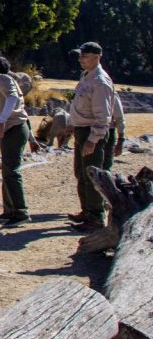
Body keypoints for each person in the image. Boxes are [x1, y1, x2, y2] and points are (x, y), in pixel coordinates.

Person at [65, 42, 115, 232]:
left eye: (84, 56)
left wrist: (93, 139)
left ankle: (95, 216)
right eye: (80, 56)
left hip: (91, 131)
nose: (80, 59)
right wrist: (71, 123)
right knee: (81, 172)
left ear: (96, 57)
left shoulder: (100, 81)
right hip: (81, 129)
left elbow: (103, 115)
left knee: (92, 175)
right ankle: (87, 211)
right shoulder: (87, 77)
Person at [0, 57, 30, 225]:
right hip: (15, 128)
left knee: (12, 170)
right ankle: (9, 209)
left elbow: (12, 98)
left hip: (13, 128)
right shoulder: (7, 79)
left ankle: (20, 212)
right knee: (7, 170)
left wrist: (2, 120)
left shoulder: (1, 78)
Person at [105, 91, 126, 172]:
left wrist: (121, 140)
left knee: (105, 166)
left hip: (107, 133)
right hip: (86, 132)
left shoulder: (110, 92)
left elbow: (119, 118)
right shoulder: (84, 88)